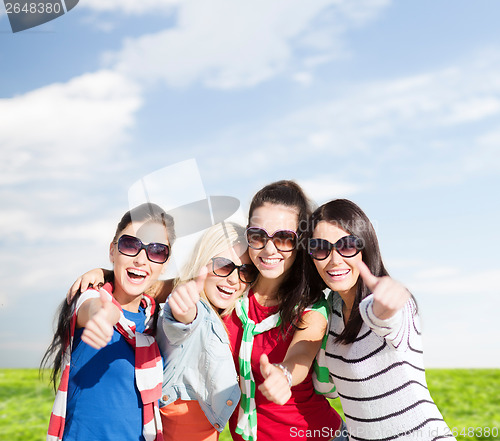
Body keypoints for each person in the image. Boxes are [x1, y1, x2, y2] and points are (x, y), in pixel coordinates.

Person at [288, 198, 454, 440]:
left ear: (365, 248)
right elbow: (327, 388)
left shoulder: (386, 304)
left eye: (346, 246)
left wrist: (386, 305)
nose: (334, 260)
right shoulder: (329, 313)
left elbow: (385, 317)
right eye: (321, 248)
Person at [41, 202, 175, 441]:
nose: (141, 259)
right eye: (130, 245)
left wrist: (105, 271)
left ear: (164, 263)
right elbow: (94, 308)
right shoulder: (90, 297)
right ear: (113, 251)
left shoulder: (153, 319)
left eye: (156, 251)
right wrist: (106, 315)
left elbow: (196, 284)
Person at [224, 180, 344, 441]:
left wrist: (284, 374)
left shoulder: (311, 307)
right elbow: (173, 286)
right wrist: (111, 275)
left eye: (284, 238)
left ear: (300, 241)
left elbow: (302, 352)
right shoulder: (231, 290)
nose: (269, 249)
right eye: (258, 236)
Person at [156, 222, 258, 441]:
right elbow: (183, 324)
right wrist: (184, 311)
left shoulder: (231, 317)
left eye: (245, 271)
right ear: (201, 263)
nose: (233, 279)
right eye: (223, 266)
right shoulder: (198, 311)